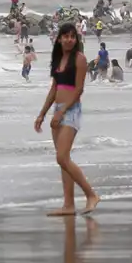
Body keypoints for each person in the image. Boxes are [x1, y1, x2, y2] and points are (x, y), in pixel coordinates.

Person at [34, 23, 99, 216]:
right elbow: (54, 89)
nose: (69, 39)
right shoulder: (58, 59)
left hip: (71, 111)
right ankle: (68, 205)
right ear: (60, 38)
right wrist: (42, 114)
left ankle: (91, 195)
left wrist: (61, 114)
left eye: (73, 36)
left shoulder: (80, 59)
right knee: (64, 161)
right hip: (58, 110)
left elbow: (79, 89)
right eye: (66, 36)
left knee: (61, 157)